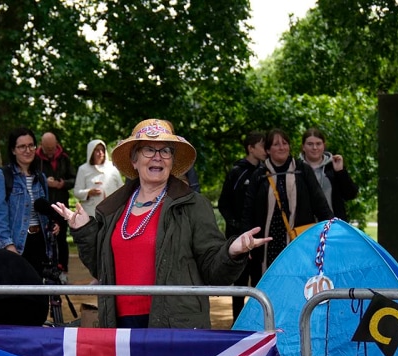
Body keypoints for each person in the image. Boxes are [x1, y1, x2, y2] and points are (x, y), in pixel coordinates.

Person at [51, 118, 269, 328]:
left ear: (172, 161)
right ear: (134, 161)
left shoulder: (193, 206)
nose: (158, 157)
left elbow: (214, 273)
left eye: (165, 151)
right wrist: (83, 230)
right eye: (149, 150)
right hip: (119, 325)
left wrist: (232, 252)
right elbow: (101, 269)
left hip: (174, 326)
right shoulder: (113, 210)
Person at [245, 128, 333, 278]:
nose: (281, 147)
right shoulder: (259, 175)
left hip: (298, 240)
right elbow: (248, 210)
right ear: (268, 149)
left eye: (285, 143)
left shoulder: (302, 170)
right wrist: (247, 241)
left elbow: (320, 204)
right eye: (276, 144)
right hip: (268, 244)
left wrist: (331, 231)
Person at [0, 127, 55, 281]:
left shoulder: (41, 177)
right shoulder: (0, 176)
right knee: (15, 294)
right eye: (22, 146)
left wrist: (51, 224)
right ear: (13, 150)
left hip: (39, 243)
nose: (28, 150)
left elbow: (42, 209)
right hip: (15, 244)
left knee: (37, 294)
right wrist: (8, 246)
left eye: (31, 145)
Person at [218, 131, 266, 319]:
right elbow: (224, 203)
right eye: (263, 146)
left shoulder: (265, 172)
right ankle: (237, 322)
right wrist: (237, 226)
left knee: (259, 282)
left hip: (259, 238)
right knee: (239, 283)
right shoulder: (237, 172)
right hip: (238, 237)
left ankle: (256, 322)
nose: (266, 150)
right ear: (251, 148)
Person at [36, 131, 76, 277]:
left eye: (52, 148)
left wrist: (61, 184)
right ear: (42, 146)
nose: (50, 152)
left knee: (61, 239)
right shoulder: (35, 158)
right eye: (47, 149)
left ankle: (63, 269)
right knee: (42, 237)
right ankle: (44, 270)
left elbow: (73, 179)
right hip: (43, 206)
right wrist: (44, 182)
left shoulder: (64, 158)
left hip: (61, 205)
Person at [300, 128, 359, 222]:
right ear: (303, 147)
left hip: (333, 226)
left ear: (324, 145)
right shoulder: (296, 169)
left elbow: (350, 194)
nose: (314, 148)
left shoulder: (332, 166)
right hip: (306, 227)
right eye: (310, 144)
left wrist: (340, 172)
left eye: (318, 144)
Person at [73, 139, 124, 212]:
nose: (100, 153)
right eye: (97, 150)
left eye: (102, 150)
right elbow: (77, 192)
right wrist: (89, 192)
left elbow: (121, 188)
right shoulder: (83, 169)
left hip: (112, 209)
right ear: (91, 152)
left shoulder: (112, 167)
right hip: (91, 211)